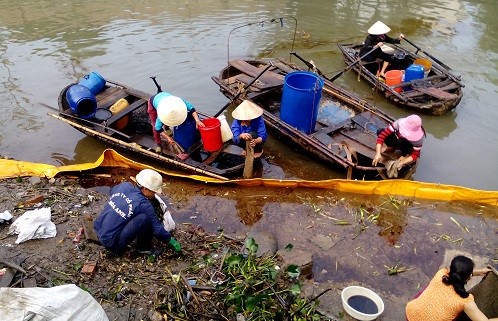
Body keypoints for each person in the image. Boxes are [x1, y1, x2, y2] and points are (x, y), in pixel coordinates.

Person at [94, 168, 181, 256]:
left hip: (98, 228)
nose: (154, 194)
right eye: (154, 192)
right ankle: (144, 249)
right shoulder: (144, 204)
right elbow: (157, 230)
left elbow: (112, 191)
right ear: (145, 189)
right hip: (112, 244)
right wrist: (171, 241)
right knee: (144, 219)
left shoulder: (124, 185)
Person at [406, 255, 498, 321]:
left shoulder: (441, 274)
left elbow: (453, 273)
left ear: (450, 269)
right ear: (468, 278)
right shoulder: (465, 301)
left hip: (410, 313)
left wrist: (475, 273)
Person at [147, 92, 205, 159]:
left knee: (168, 121)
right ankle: (158, 143)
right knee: (154, 125)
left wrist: (197, 121)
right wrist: (167, 138)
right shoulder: (161, 116)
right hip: (153, 102)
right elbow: (157, 127)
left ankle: (167, 128)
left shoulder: (180, 102)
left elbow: (192, 109)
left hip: (165, 96)